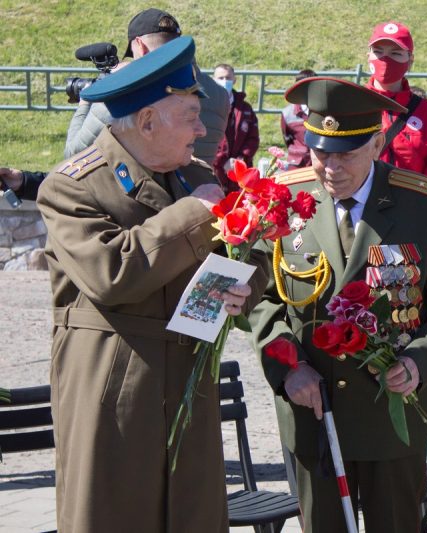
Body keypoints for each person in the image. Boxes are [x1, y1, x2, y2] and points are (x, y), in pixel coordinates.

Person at [36, 37, 269, 533]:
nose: (203, 130)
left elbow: (248, 256)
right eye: (190, 117)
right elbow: (110, 274)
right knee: (114, 515)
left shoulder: (195, 177)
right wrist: (194, 214)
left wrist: (245, 286)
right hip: (115, 390)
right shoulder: (72, 186)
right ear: (146, 121)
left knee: (193, 516)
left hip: (188, 386)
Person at [250, 76, 427, 532]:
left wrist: (419, 361)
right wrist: (288, 366)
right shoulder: (285, 200)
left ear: (377, 143)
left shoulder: (421, 203)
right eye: (319, 152)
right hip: (313, 414)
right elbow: (259, 303)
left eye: (346, 153)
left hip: (391, 418)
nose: (330, 167)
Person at [64, 8, 230, 165]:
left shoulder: (124, 92)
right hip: (200, 189)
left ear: (140, 46)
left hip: (143, 193)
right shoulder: (221, 95)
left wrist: (85, 102)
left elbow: (75, 155)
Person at [365, 21, 427, 184]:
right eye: (378, 51)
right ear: (368, 56)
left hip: (409, 206)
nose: (385, 59)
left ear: (410, 60)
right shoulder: (349, 104)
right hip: (359, 207)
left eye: (396, 53)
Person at [211, 63, 260, 189]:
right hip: (214, 171)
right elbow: (202, 138)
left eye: (228, 78)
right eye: (220, 78)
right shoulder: (206, 107)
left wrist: (240, 160)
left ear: (234, 80)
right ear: (213, 80)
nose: (224, 81)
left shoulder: (245, 108)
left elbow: (253, 138)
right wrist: (221, 161)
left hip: (240, 173)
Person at [280, 68, 316, 169]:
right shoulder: (287, 113)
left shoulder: (324, 111)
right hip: (297, 165)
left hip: (319, 163)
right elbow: (287, 138)